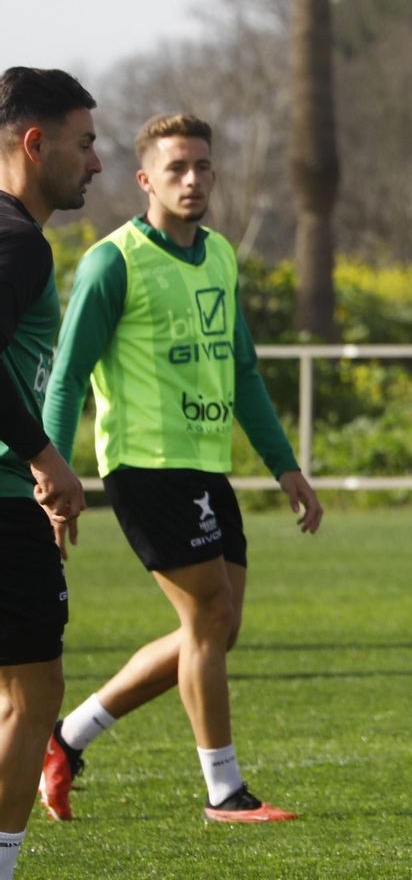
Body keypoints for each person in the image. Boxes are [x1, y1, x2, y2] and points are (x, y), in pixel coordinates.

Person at [37, 113, 322, 823]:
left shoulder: (221, 255)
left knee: (217, 630)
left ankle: (67, 738)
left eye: (201, 167)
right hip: (145, 465)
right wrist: (52, 472)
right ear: (145, 180)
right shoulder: (114, 260)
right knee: (210, 616)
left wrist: (285, 465)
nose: (191, 180)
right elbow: (67, 377)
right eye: (175, 169)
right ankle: (224, 791)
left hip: (206, 466)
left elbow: (245, 370)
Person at [0, 65, 95, 880]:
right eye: (86, 143)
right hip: (0, 506)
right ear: (36, 143)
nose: (93, 163)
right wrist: (43, 459)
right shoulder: (16, 239)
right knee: (33, 700)